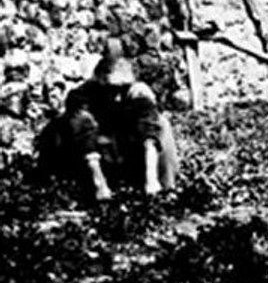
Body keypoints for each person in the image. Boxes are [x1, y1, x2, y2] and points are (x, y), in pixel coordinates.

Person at [36, 39, 178, 201]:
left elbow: (149, 131)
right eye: (112, 89)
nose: (117, 97)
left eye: (122, 89)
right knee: (56, 128)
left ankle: (166, 189)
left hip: (122, 152)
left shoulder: (137, 92)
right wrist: (100, 184)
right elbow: (85, 137)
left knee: (162, 124)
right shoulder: (81, 96)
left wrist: (151, 179)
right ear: (100, 82)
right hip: (89, 155)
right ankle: (63, 188)